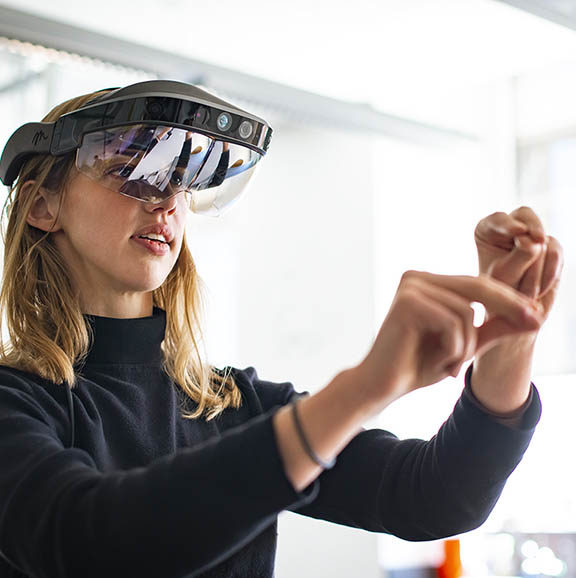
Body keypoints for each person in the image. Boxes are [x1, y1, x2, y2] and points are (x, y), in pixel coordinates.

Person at [0, 79, 563, 578]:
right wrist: (364, 387)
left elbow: (436, 497)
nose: (167, 201)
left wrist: (512, 337)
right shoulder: (15, 404)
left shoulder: (226, 404)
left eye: (180, 180)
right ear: (43, 205)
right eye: (132, 170)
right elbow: (90, 543)